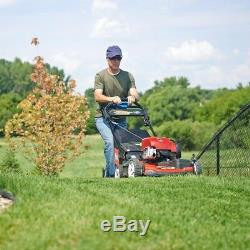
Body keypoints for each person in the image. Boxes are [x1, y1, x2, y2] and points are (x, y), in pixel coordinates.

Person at [94, 45, 139, 177]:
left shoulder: (127, 76)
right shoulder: (100, 76)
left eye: (118, 58)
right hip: (103, 118)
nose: (116, 61)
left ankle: (123, 173)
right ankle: (110, 175)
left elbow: (135, 93)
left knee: (122, 146)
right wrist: (111, 99)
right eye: (113, 58)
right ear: (107, 59)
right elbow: (97, 96)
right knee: (110, 142)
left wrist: (133, 97)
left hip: (120, 117)